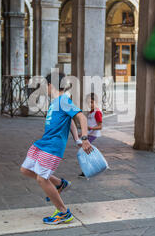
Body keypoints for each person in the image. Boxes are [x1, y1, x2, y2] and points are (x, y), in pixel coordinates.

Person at [20, 72, 92, 225]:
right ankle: (60, 184)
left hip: (53, 146)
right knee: (26, 169)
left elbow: (81, 117)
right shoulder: (55, 102)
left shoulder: (63, 100)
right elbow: (70, 120)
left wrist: (84, 138)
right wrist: (76, 138)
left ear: (50, 85)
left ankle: (63, 212)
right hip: (43, 143)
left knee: (41, 178)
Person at [75, 93, 103, 178]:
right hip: (90, 134)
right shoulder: (91, 112)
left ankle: (88, 170)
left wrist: (90, 128)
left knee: (85, 151)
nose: (90, 104)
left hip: (93, 135)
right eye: (88, 102)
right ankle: (88, 169)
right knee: (86, 152)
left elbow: (100, 126)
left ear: (96, 101)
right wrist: (84, 133)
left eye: (91, 102)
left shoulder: (97, 112)